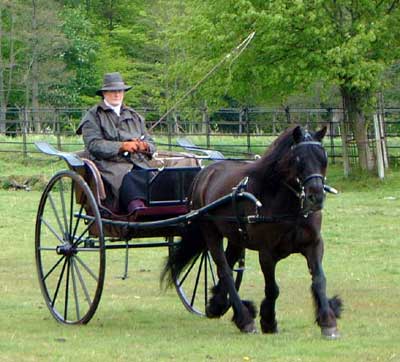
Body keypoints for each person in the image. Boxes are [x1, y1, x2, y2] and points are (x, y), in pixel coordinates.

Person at [76, 72, 156, 214]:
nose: (116, 95)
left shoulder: (134, 116)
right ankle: (136, 209)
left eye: (119, 91)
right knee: (129, 177)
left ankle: (158, 210)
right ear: (104, 94)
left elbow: (150, 141)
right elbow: (94, 145)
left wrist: (144, 146)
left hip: (138, 162)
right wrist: (121, 146)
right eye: (112, 91)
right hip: (107, 165)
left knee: (158, 176)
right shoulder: (93, 116)